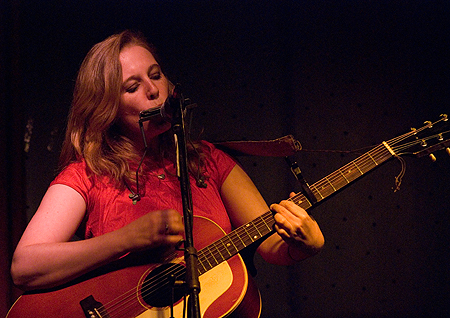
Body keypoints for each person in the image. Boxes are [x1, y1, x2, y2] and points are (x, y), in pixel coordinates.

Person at [10, 30, 324, 314]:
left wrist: (303, 245)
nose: (153, 90)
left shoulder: (207, 160)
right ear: (107, 108)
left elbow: (270, 245)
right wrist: (127, 239)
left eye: (156, 75)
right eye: (132, 87)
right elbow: (25, 266)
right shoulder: (88, 175)